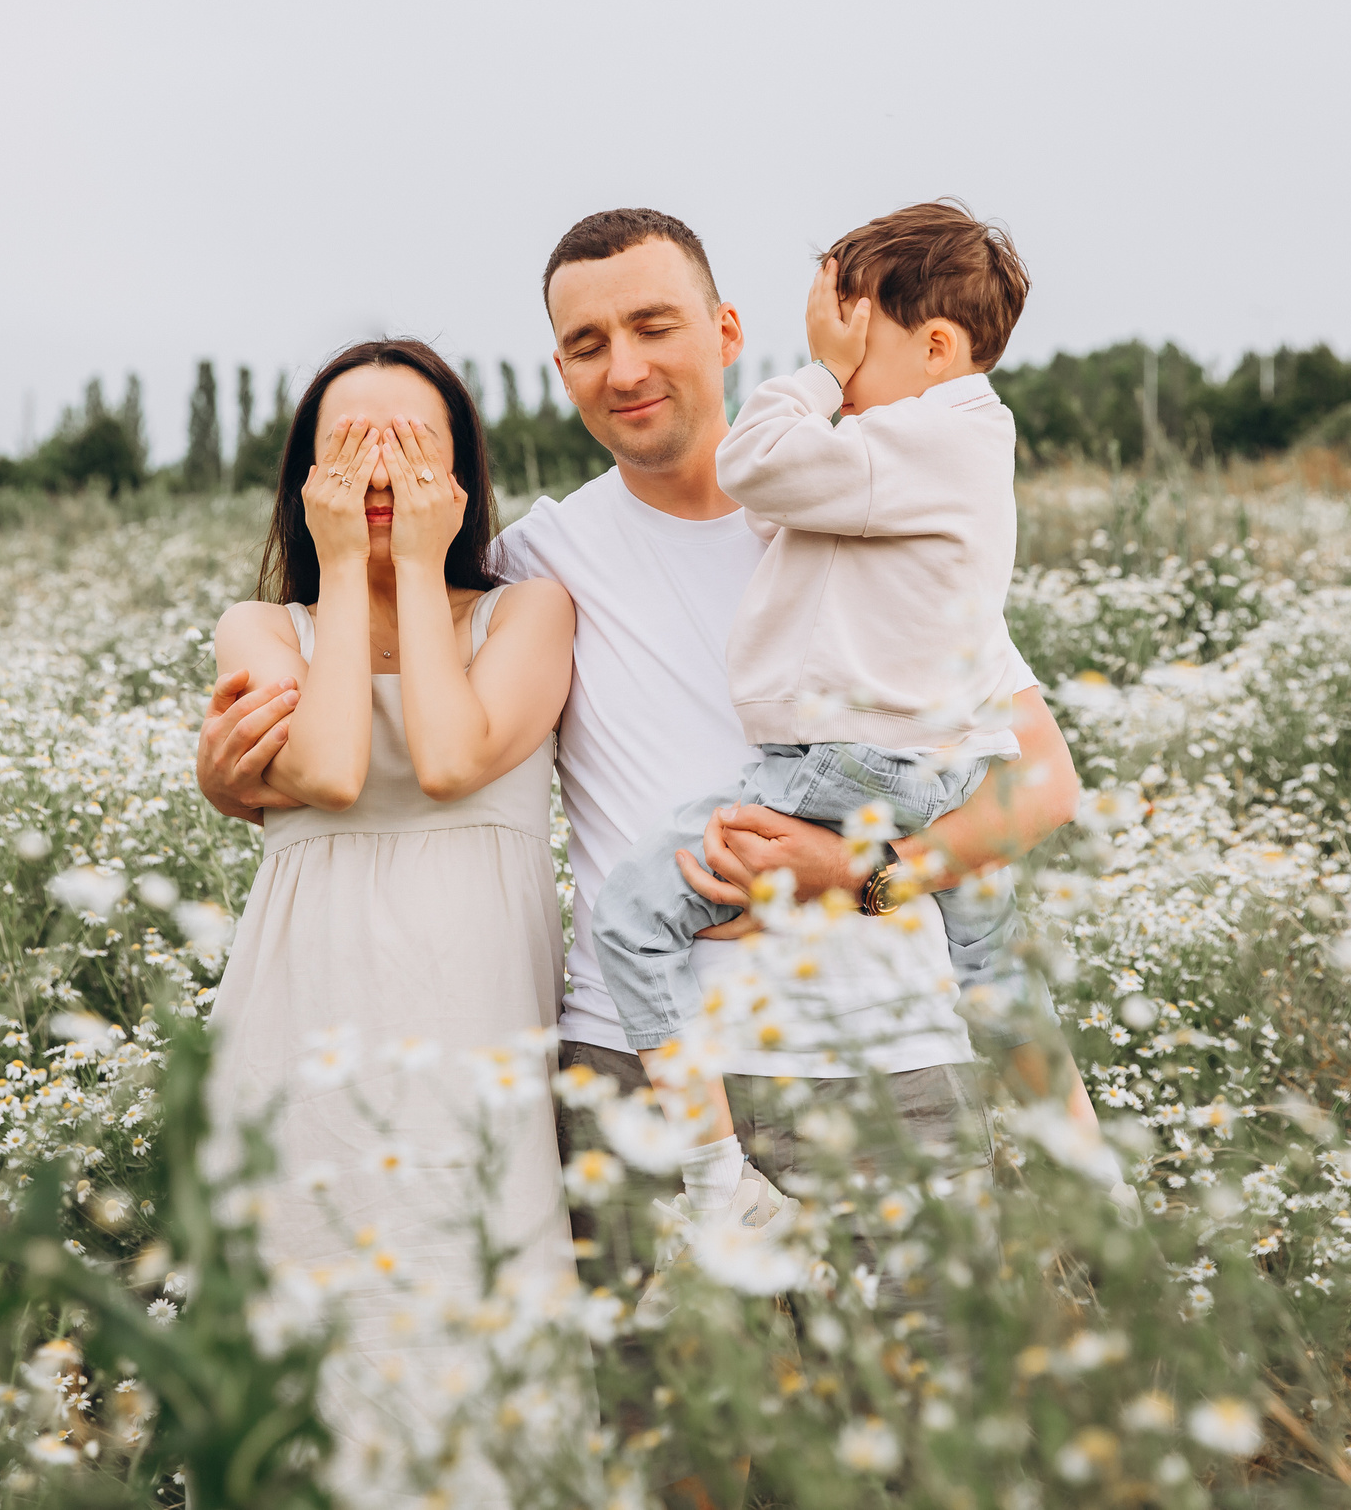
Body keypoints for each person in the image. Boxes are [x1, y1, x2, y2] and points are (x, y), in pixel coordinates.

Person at [200, 210, 1086, 1294]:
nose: (622, 368)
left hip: (877, 1065)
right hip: (632, 1076)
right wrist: (234, 777)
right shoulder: (541, 564)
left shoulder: (867, 516)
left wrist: (860, 877)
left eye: (653, 326)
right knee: (662, 1460)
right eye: (585, 344)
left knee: (921, 1448)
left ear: (724, 331)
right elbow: (388, 698)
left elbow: (1041, 781)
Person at [587, 202, 1043, 1208]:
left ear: (933, 347)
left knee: (626, 919)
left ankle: (708, 1164)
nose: (843, 367)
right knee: (992, 961)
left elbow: (752, 467)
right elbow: (777, 508)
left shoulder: (918, 435)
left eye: (857, 337)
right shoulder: (951, 451)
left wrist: (815, 376)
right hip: (940, 770)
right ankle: (1068, 1163)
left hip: (837, 770)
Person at [200, 338, 579, 1503]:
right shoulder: (263, 630)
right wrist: (339, 570)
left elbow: (456, 754)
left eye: (409, 446)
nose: (378, 473)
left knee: (478, 1294)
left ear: (460, 472)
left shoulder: (530, 611)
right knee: (312, 1310)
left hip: (473, 1011)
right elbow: (325, 764)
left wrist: (417, 566)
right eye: (345, 448)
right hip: (303, 1008)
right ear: (301, 478)